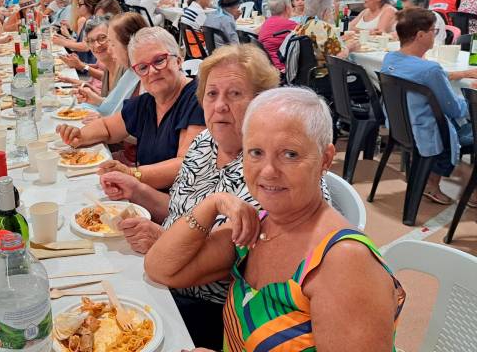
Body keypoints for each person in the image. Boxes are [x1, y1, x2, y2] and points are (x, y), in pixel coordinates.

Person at [146, 87, 406, 352]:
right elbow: (161, 269)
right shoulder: (258, 226)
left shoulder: (344, 262)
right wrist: (213, 203)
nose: (268, 172)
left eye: (290, 154)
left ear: (325, 159)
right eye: (256, 152)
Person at [99, 45, 281, 349]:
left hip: (209, 312)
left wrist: (161, 237)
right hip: (163, 280)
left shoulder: (267, 175)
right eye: (211, 94)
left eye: (235, 94)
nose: (219, 106)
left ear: (261, 103)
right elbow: (180, 209)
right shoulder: (205, 142)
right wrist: (136, 189)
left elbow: (190, 266)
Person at [56, 27, 205, 190]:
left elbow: (184, 165)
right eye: (142, 67)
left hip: (181, 205)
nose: (152, 71)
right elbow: (107, 127)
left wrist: (132, 174)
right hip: (148, 196)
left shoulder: (199, 100)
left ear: (178, 60)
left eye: (159, 60)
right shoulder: (147, 102)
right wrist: (80, 136)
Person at [381, 8, 477, 205]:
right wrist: (472, 96)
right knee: (468, 124)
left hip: (402, 126)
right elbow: (455, 109)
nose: (436, 35)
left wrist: (458, 75)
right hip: (427, 132)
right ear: (421, 35)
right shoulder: (430, 70)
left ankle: (431, 183)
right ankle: (471, 194)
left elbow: (427, 77)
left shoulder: (390, 59)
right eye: (434, 31)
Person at [73, 15, 141, 116]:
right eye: (91, 41)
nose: (96, 45)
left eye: (102, 38)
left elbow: (128, 114)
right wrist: (94, 97)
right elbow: (115, 105)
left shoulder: (129, 69)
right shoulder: (107, 68)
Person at [294, 0, 359, 69]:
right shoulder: (324, 27)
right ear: (325, 11)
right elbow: (337, 59)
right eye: (331, 8)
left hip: (306, 74)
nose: (332, 12)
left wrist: (340, 39)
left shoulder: (301, 25)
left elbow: (321, 45)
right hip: (325, 75)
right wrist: (349, 48)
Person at [54, 0, 106, 64]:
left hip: (88, 67)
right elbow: (81, 43)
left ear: (90, 6)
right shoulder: (87, 20)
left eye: (80, 4)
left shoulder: (90, 22)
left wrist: (63, 42)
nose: (77, 7)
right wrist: (65, 39)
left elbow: (85, 47)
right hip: (85, 64)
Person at [258, 0, 297, 72]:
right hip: (280, 68)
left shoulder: (266, 23)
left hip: (267, 65)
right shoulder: (291, 25)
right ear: (287, 8)